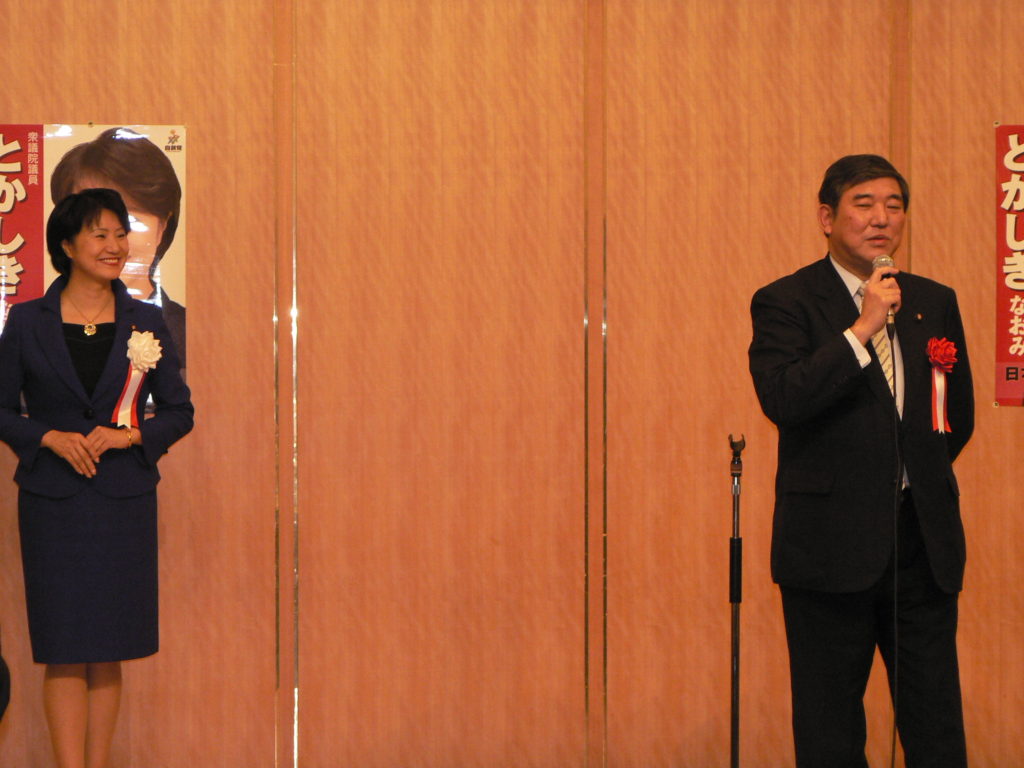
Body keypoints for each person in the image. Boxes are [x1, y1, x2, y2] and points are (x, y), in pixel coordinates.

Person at [748, 154, 974, 767]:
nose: (881, 219)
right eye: (864, 204)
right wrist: (863, 327)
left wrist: (909, 477)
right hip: (828, 546)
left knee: (935, 724)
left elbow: (954, 416)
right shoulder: (786, 301)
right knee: (830, 730)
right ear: (827, 218)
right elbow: (785, 398)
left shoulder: (933, 301)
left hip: (921, 543)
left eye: (894, 206)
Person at [0, 188, 193, 768]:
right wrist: (47, 438)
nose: (114, 246)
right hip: (53, 501)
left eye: (120, 234)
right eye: (99, 234)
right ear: (67, 245)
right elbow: (2, 409)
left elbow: (179, 411)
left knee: (108, 648)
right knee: (63, 648)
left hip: (121, 501)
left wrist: (129, 436)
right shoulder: (27, 320)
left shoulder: (147, 320)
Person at [50, 127, 186, 370]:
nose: (113, 245)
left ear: (162, 227)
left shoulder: (182, 329)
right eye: (92, 223)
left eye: (129, 221)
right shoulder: (28, 322)